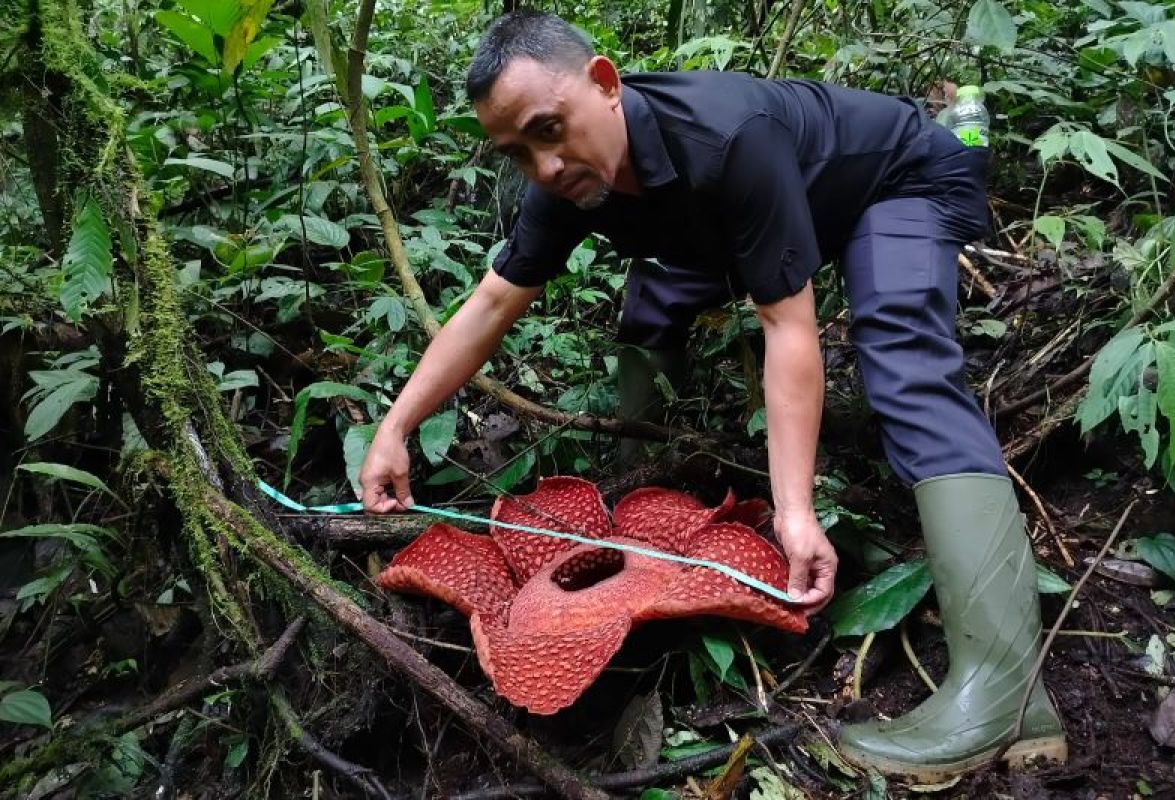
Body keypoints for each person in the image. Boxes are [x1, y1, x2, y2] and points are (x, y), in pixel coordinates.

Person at [358, 9, 1066, 780]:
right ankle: (651, 498)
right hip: (769, 210)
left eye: (550, 130)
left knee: (901, 352)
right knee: (653, 299)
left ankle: (1007, 695)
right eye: (518, 153)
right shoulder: (565, 178)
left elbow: (787, 327)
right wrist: (396, 427)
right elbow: (493, 302)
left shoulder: (729, 137)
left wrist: (794, 512)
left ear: (604, 82)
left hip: (897, 178)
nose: (546, 166)